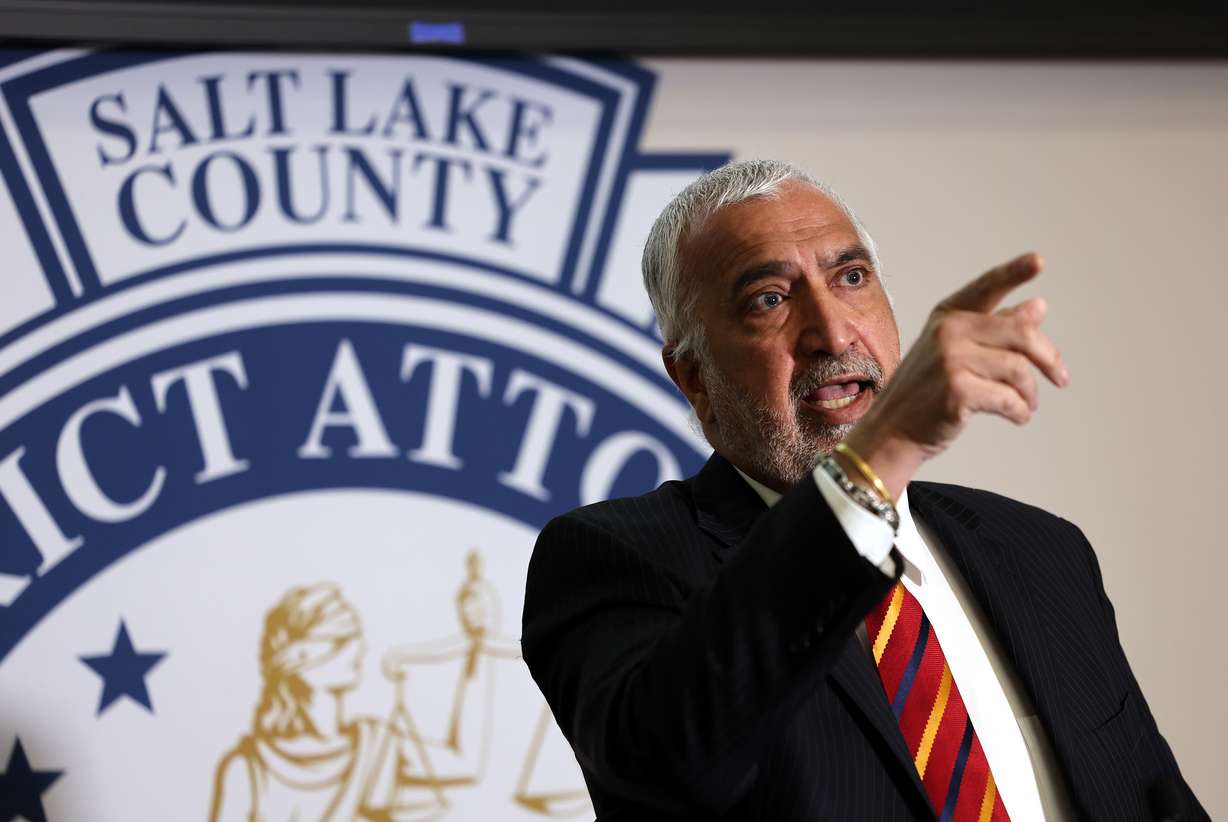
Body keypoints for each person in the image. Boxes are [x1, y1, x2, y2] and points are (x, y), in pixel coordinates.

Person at [520, 160, 1206, 821]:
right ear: (693, 376)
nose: (833, 332)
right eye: (770, 299)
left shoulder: (1040, 551)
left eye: (851, 277)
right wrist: (881, 453)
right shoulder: (613, 558)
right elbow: (672, 768)